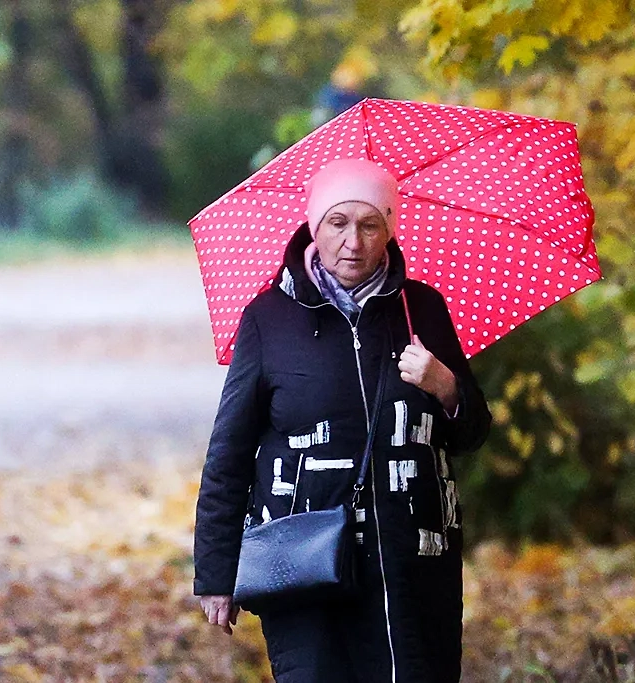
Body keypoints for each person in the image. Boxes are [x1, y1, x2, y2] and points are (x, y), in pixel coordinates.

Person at [193, 158, 492, 683]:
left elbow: (471, 433)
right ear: (314, 225)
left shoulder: (420, 309)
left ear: (389, 230)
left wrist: (445, 385)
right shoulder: (268, 319)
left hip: (410, 560)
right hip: (303, 558)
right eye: (338, 222)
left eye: (370, 224)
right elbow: (229, 453)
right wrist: (216, 573)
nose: (353, 241)